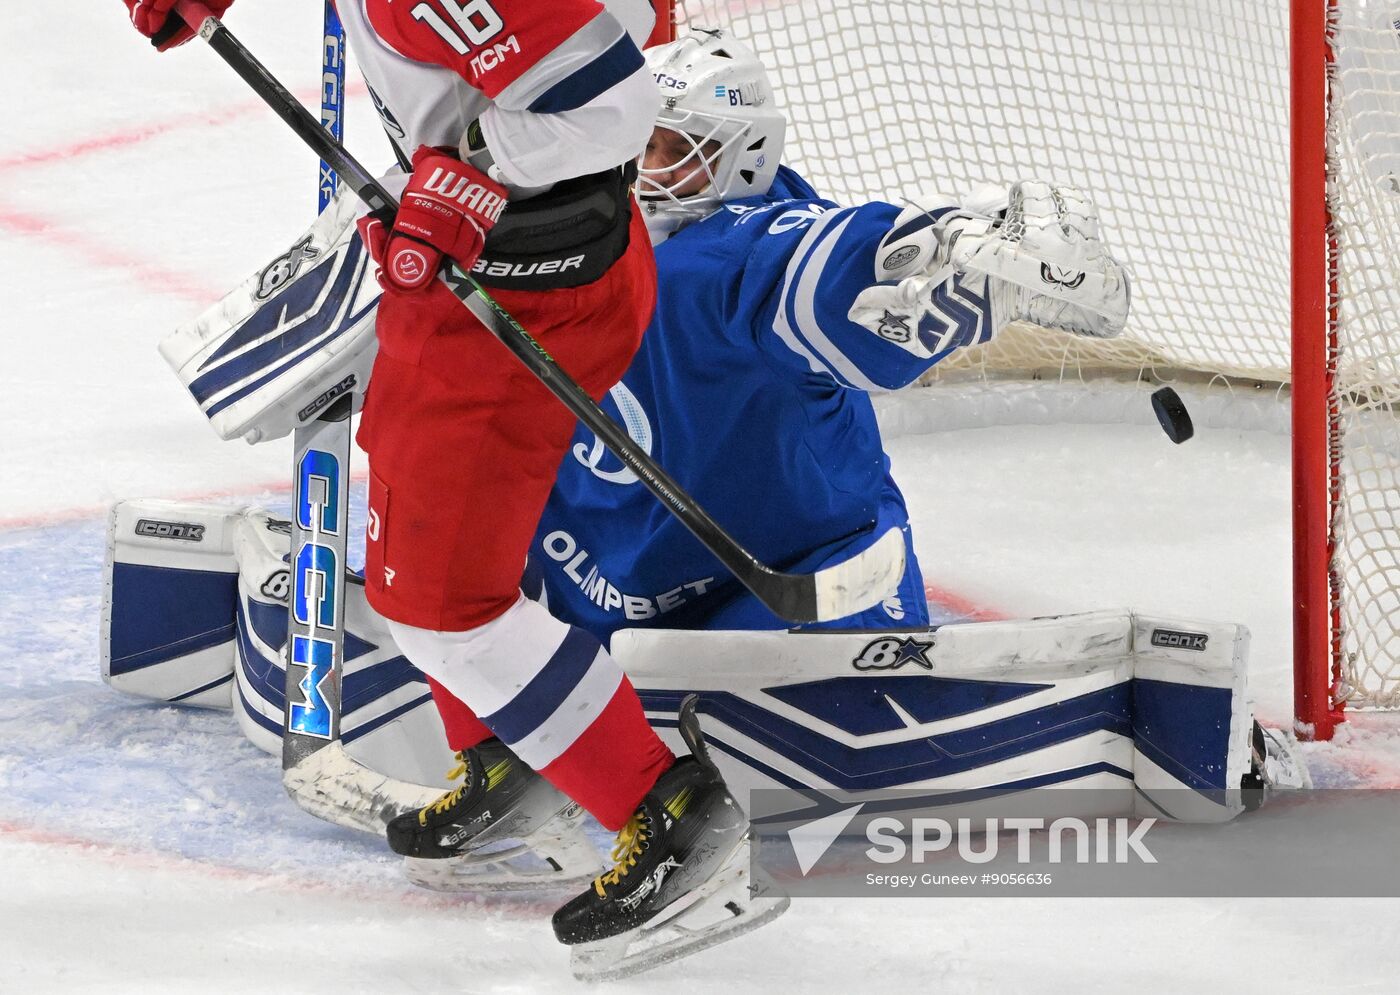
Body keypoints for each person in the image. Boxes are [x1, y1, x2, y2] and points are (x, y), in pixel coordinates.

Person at [118, 0, 782, 978]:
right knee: (409, 511)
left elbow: (611, 99)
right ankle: (512, 756)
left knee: (440, 605)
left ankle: (671, 812)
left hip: (523, 291)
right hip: (492, 271)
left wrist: (469, 182)